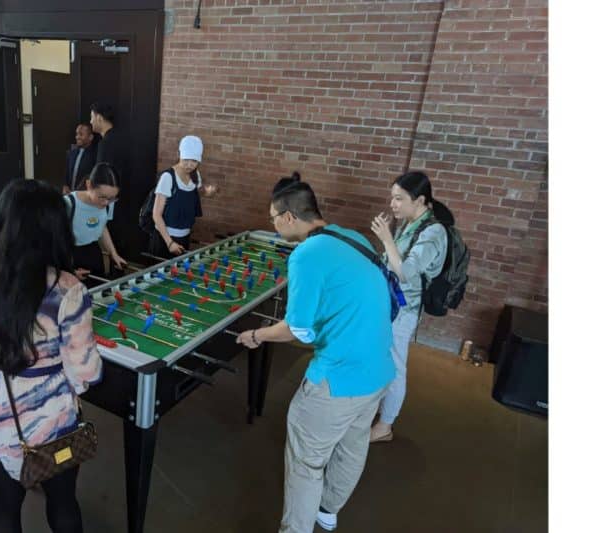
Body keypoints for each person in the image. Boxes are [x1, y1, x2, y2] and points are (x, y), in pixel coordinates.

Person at [235, 174, 394, 533]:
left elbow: (297, 330)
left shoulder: (306, 254)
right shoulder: (351, 236)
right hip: (379, 371)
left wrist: (256, 335)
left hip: (337, 378)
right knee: (353, 446)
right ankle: (328, 511)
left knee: (307, 463)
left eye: (273, 219)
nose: (273, 226)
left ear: (289, 217)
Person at [0, 179, 103, 533]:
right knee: (63, 500)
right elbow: (84, 374)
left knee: (3, 504)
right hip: (46, 415)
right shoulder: (68, 289)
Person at [369, 170, 449, 443]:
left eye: (399, 199)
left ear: (420, 200)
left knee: (395, 366)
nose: (393, 205)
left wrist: (387, 239)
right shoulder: (411, 223)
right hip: (390, 304)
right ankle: (376, 411)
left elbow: (405, 272)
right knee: (382, 358)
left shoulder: (434, 231)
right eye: (392, 198)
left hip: (403, 311)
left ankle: (385, 426)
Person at [148, 135, 217, 259]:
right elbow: (156, 215)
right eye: (186, 160)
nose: (189, 165)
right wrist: (170, 243)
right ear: (179, 154)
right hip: (165, 240)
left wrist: (208, 192)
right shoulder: (168, 177)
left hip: (184, 238)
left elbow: (192, 195)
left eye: (194, 161)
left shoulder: (195, 175)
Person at [65, 162, 128, 287]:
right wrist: (68, 270)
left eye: (111, 198)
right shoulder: (68, 203)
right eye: (102, 197)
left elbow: (102, 227)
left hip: (93, 252)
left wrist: (113, 253)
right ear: (89, 185)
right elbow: (54, 242)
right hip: (70, 254)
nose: (106, 202)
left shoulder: (109, 203)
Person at [90, 102, 131, 253]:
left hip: (109, 198)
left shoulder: (106, 143)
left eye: (92, 117)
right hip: (120, 198)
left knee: (109, 238)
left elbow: (102, 174)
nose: (91, 121)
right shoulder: (121, 139)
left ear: (99, 118)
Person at [63, 122, 98, 194]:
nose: (77, 137)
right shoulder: (71, 153)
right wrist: (65, 185)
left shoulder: (96, 155)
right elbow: (67, 172)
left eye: (81, 134)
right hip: (69, 194)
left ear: (90, 137)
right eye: (77, 134)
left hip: (85, 196)